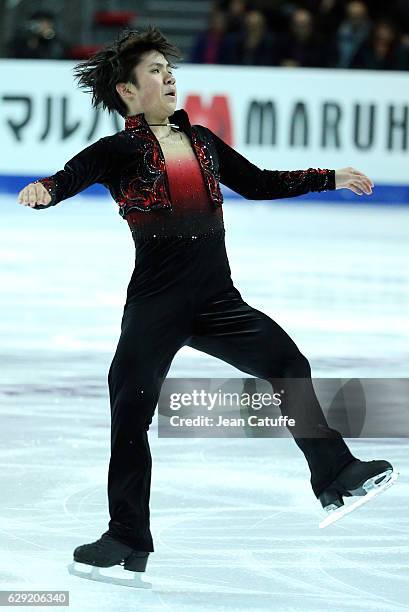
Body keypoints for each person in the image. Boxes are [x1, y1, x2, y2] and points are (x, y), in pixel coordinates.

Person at [17, 27, 395, 584]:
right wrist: (46, 190)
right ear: (127, 91)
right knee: (130, 409)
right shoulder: (120, 150)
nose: (168, 77)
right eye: (154, 72)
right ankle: (127, 535)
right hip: (157, 304)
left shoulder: (203, 143)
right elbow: (74, 175)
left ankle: (334, 472)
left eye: (169, 70)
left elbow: (259, 183)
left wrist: (329, 177)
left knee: (288, 364)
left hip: (218, 299)